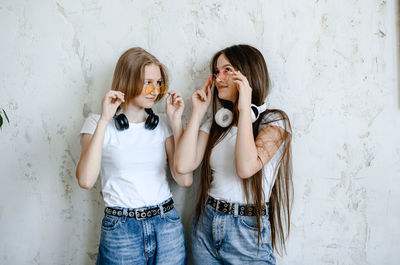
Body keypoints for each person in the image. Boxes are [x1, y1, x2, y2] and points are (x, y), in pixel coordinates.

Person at [174, 44, 293, 264]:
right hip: (206, 225)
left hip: (246, 231)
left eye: (227, 70)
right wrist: (198, 113)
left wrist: (245, 107)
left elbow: (246, 167)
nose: (219, 77)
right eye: (217, 71)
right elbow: (182, 165)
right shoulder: (217, 123)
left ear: (248, 74)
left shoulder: (274, 121)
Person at [76, 47, 191, 265]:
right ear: (127, 80)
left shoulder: (163, 122)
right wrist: (104, 120)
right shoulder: (97, 122)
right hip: (121, 230)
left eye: (158, 83)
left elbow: (184, 179)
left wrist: (176, 123)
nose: (154, 90)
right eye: (148, 82)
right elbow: (85, 180)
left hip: (167, 226)